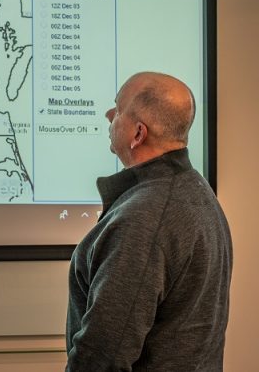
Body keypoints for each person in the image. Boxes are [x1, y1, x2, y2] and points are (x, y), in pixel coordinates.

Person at [66, 72, 232, 371]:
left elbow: (103, 357)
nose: (108, 115)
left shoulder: (144, 218)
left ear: (138, 134)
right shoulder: (195, 188)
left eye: (117, 110)